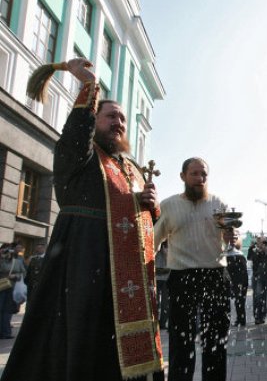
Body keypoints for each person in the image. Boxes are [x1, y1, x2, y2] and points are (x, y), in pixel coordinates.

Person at [1, 58, 163, 381]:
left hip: (125, 286)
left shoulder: (129, 169)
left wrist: (150, 206)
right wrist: (89, 89)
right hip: (83, 271)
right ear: (93, 119)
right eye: (110, 116)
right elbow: (77, 134)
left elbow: (139, 224)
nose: (118, 122)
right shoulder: (81, 156)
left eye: (122, 118)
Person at [154, 157, 230, 381]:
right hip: (182, 277)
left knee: (216, 340)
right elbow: (153, 241)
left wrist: (230, 237)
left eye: (204, 174)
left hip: (215, 275)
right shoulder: (168, 205)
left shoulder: (219, 203)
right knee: (181, 340)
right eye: (195, 174)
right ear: (183, 176)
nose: (200, 179)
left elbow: (231, 240)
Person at [249, 236, 267, 324]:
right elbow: (251, 259)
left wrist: (266, 252)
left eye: (265, 243)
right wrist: (254, 249)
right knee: (259, 297)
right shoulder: (257, 252)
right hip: (260, 278)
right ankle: (259, 317)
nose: (263, 245)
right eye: (262, 243)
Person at [0, 243, 25, 338]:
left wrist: (15, 276)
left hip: (11, 288)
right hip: (1, 288)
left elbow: (23, 274)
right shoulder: (1, 261)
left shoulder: (17, 262)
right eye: (5, 250)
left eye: (9, 250)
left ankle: (5, 332)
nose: (7, 253)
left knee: (7, 311)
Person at [225, 230, 248, 327]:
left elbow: (244, 272)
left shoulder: (240, 254)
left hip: (240, 280)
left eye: (235, 237)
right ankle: (227, 320)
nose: (233, 240)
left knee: (239, 300)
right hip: (230, 280)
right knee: (227, 300)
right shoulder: (225, 253)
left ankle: (241, 319)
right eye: (231, 237)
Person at [155, 242, 170, 329]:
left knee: (165, 302)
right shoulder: (157, 244)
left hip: (166, 277)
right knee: (155, 301)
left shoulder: (169, 245)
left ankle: (162, 323)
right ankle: (155, 322)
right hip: (156, 276)